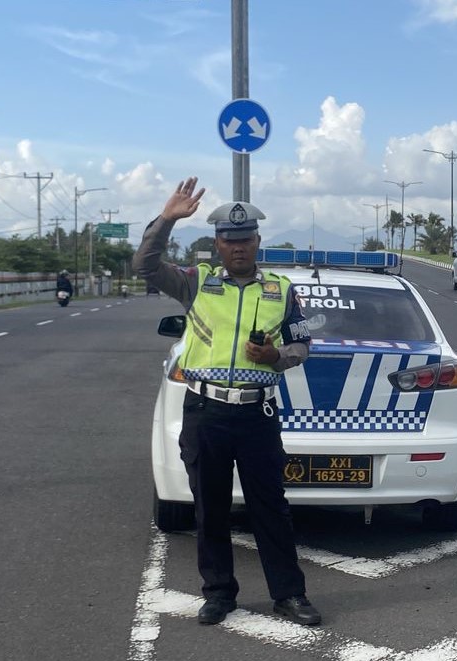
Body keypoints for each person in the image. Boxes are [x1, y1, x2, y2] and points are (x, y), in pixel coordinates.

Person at [132, 177, 321, 627]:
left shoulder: (281, 290)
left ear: (258, 242)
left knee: (270, 506)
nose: (238, 247)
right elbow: (144, 264)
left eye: (246, 239)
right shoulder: (194, 283)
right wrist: (167, 219)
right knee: (209, 506)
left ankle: (289, 595)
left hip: (257, 412)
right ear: (217, 243)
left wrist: (276, 356)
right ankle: (218, 593)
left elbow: (302, 346)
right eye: (229, 239)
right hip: (207, 411)